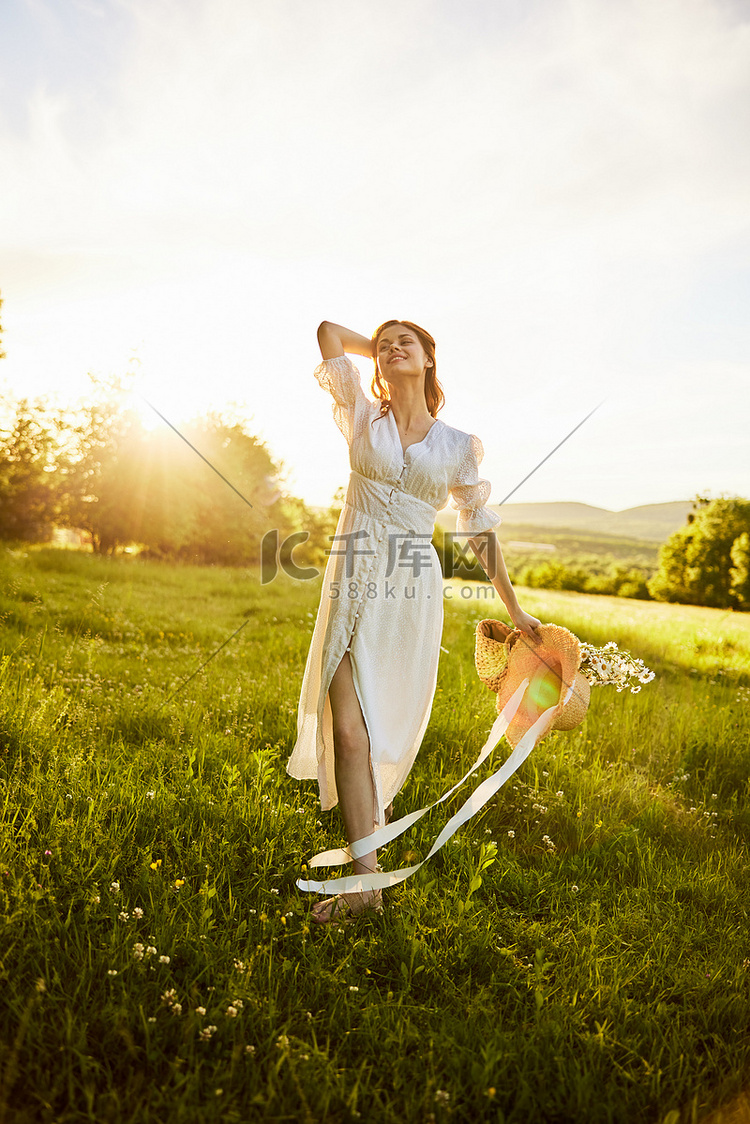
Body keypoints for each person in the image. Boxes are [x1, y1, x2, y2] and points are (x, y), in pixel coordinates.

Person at [287, 320, 541, 923]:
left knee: (380, 730)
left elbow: (479, 530)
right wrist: (376, 342)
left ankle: (363, 876)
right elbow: (326, 331)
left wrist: (514, 607)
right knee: (347, 731)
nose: (394, 347)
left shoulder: (457, 444)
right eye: (385, 344)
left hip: (410, 589)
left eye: (410, 341)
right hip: (352, 571)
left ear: (431, 359)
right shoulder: (360, 411)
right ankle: (367, 882)